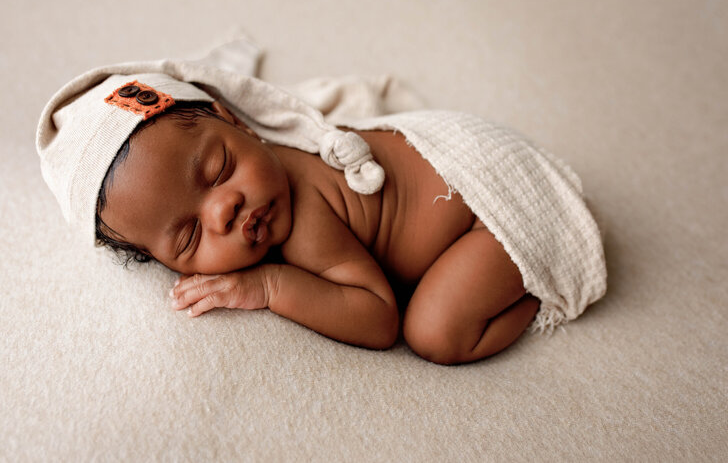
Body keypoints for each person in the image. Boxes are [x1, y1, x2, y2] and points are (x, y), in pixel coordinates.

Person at [36, 44, 606, 365]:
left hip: (481, 198)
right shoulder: (249, 169)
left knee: (435, 333)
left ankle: (537, 281)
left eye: (220, 169)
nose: (224, 211)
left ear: (237, 122)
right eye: (189, 237)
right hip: (458, 164)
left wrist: (268, 286)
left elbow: (378, 317)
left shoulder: (304, 215)